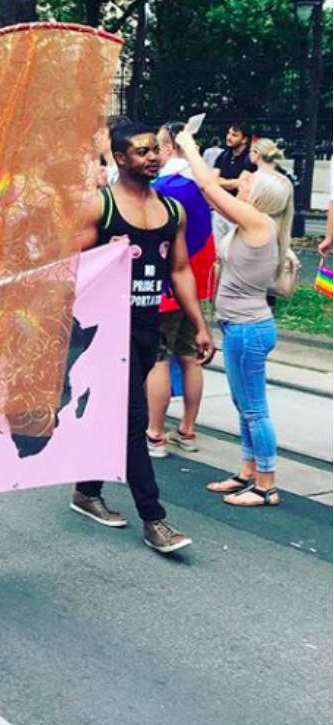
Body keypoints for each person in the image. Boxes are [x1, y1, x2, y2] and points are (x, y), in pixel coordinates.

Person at [70, 121, 214, 554]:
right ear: (119, 158)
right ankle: (155, 519)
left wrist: (201, 324)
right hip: (105, 331)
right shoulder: (99, 207)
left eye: (155, 149)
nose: (152, 156)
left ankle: (85, 491)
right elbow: (68, 267)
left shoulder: (173, 211)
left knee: (116, 415)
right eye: (141, 151)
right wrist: (101, 254)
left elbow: (181, 270)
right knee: (133, 419)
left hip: (148, 327)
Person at [175, 128, 292, 507]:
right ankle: (247, 472)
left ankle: (266, 485)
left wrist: (189, 146)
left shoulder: (259, 224)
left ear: (260, 196)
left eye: (249, 180)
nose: (243, 180)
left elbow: (210, 188)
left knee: (255, 408)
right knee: (246, 406)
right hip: (243, 328)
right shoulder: (257, 226)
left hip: (248, 330)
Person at [145, 122, 217, 457]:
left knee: (159, 359)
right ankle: (187, 430)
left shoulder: (161, 189)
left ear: (168, 149)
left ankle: (155, 435)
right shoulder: (202, 187)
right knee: (190, 358)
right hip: (196, 285)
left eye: (156, 147)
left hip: (165, 288)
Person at [214, 122, 257, 194]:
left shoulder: (251, 158)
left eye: (234, 135)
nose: (228, 137)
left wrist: (220, 181)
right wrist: (233, 182)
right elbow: (212, 179)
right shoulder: (223, 155)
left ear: (244, 140)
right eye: (229, 133)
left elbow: (241, 184)